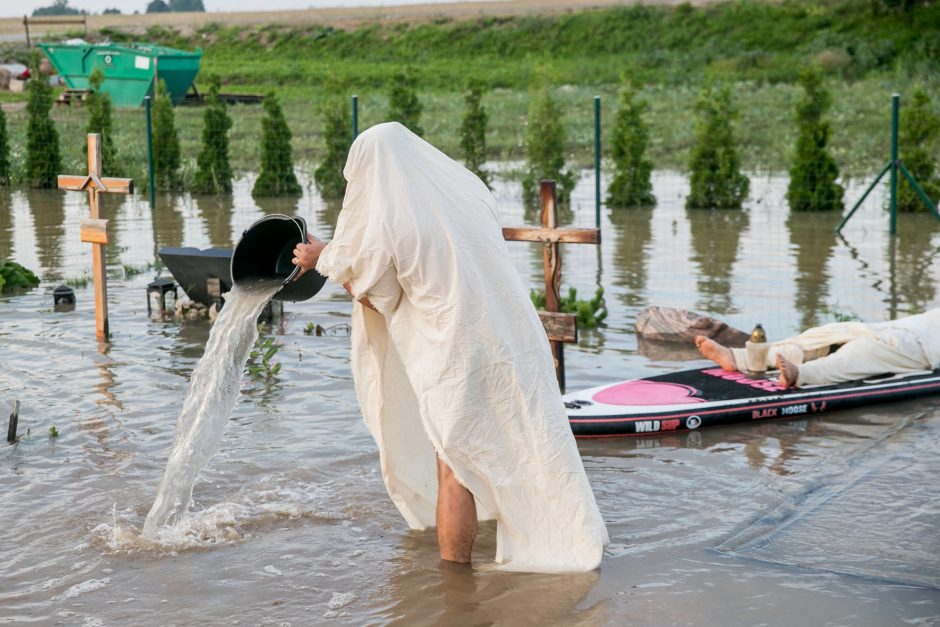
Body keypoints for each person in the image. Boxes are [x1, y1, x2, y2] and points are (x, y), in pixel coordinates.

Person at [291, 122, 608, 572]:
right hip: (516, 337)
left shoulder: (390, 215)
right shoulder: (465, 191)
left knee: (453, 463)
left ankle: (453, 587)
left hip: (460, 352)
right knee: (533, 442)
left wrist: (319, 257)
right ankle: (562, 533)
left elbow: (371, 290)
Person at [695, 308, 940, 388]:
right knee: (820, 338)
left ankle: (800, 374)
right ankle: (738, 358)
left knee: (861, 353)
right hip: (894, 327)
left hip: (919, 348)